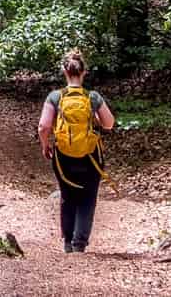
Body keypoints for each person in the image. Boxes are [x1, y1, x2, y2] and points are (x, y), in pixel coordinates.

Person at [38, 49, 115, 253]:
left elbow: (44, 127)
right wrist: (94, 120)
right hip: (91, 156)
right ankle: (80, 244)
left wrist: (45, 145)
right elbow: (109, 124)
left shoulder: (55, 97)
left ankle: (67, 244)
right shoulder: (93, 97)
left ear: (65, 71)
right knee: (88, 198)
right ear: (84, 72)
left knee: (67, 196)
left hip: (63, 156)